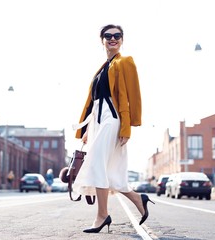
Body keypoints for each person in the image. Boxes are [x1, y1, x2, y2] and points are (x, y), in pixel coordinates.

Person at [72, 24, 154, 234]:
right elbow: (93, 101)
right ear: (102, 40)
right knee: (110, 171)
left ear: (122, 40)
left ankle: (102, 215)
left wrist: (128, 127)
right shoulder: (103, 67)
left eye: (117, 36)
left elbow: (133, 95)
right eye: (108, 36)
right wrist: (88, 129)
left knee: (97, 164)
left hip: (112, 117)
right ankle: (137, 199)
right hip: (98, 120)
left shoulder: (124, 62)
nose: (112, 39)